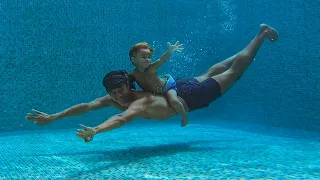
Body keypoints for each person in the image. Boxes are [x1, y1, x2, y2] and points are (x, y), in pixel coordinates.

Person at [26, 24, 278, 143]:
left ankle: (260, 35)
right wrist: (53, 117)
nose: (119, 97)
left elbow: (122, 119)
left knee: (234, 73)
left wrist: (96, 131)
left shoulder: (140, 100)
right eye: (114, 93)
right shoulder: (117, 96)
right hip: (180, 86)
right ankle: (248, 46)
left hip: (190, 97)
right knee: (211, 71)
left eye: (121, 91)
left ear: (129, 87)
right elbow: (86, 106)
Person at [129, 41, 188, 127]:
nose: (148, 59)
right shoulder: (133, 74)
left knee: (174, 101)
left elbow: (161, 60)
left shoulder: (151, 68)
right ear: (134, 60)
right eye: (144, 57)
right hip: (154, 92)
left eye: (149, 57)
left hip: (167, 86)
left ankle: (184, 117)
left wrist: (170, 51)